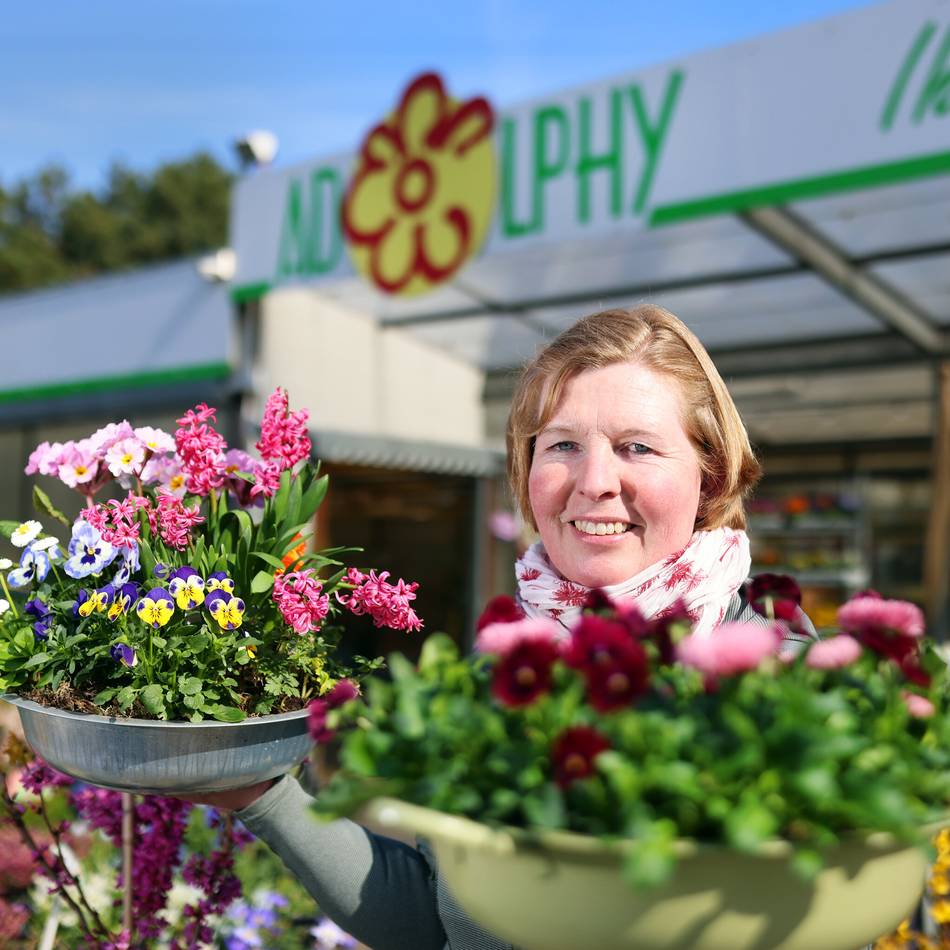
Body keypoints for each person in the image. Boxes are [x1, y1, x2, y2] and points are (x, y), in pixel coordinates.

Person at [201, 305, 811, 950]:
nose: (595, 482)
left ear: (710, 473)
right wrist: (262, 793)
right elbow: (436, 920)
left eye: (637, 447)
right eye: (563, 445)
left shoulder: (785, 680)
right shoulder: (498, 670)